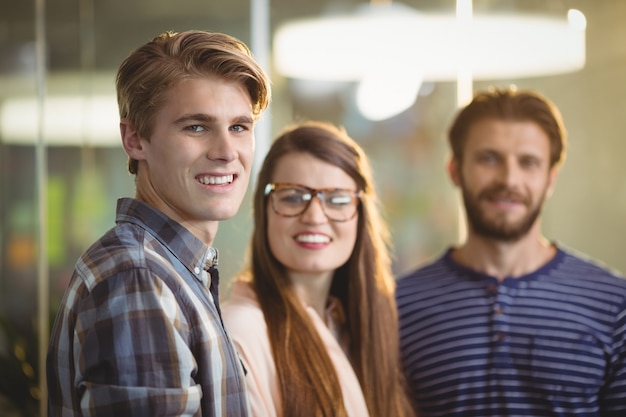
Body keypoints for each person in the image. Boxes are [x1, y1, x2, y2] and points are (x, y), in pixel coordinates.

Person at [46, 30, 271, 416]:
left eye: (239, 127)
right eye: (196, 127)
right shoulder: (137, 277)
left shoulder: (173, 270)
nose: (226, 152)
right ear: (134, 139)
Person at [396, 86, 626, 417]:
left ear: (550, 179)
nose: (509, 179)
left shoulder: (614, 306)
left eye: (528, 163)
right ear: (455, 170)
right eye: (489, 159)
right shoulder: (398, 307)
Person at [221, 121, 416, 417]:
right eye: (293, 197)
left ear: (360, 215)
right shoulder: (242, 330)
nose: (314, 216)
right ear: (264, 211)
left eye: (336, 199)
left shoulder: (357, 325)